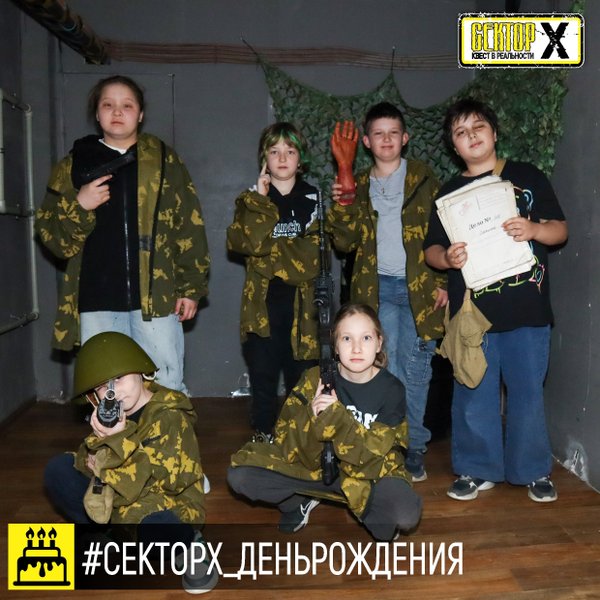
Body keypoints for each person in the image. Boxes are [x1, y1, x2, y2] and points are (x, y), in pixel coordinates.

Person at [423, 98, 568, 503]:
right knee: (474, 392)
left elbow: (560, 230)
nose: (471, 136)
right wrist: (447, 258)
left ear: (494, 132)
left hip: (528, 309)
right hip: (474, 315)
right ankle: (476, 469)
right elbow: (430, 250)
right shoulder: (448, 194)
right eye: (461, 132)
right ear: (454, 146)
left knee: (527, 393)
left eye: (478, 127)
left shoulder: (527, 176)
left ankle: (533, 470)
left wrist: (534, 230)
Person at [35, 75, 210, 394]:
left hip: (157, 300)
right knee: (106, 389)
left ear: (140, 114)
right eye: (108, 105)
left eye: (127, 105)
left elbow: (189, 225)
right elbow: (52, 236)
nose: (117, 111)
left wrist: (191, 287)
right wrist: (80, 205)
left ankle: (165, 430)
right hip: (97, 299)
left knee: (164, 384)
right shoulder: (75, 165)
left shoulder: (163, 160)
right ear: (97, 113)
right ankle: (112, 430)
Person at [227, 303, 422, 541]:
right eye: (347, 338)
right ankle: (298, 501)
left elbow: (375, 458)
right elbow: (285, 443)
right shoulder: (314, 379)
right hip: (315, 469)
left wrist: (337, 418)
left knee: (405, 514)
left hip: (366, 476)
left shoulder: (391, 390)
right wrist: (311, 416)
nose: (357, 348)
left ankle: (361, 503)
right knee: (241, 475)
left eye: (366, 338)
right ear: (335, 346)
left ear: (379, 343)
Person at [43, 331, 217, 593]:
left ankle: (190, 546)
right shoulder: (111, 413)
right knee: (59, 470)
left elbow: (155, 485)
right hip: (119, 499)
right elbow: (86, 463)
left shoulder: (170, 417)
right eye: (103, 387)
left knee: (155, 528)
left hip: (163, 504)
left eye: (119, 378)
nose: (113, 392)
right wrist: (100, 440)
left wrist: (118, 440)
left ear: (141, 372)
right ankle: (105, 533)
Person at [328, 103, 447, 482]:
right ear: (366, 141)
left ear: (405, 138)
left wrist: (444, 283)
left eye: (393, 132)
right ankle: (387, 446)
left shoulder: (425, 179)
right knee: (384, 369)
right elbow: (344, 242)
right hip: (375, 289)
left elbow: (447, 231)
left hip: (420, 291)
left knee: (416, 372)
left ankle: (414, 448)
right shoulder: (357, 183)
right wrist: (344, 196)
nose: (386, 139)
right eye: (378, 133)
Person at [226, 122, 320, 443]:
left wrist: (270, 253)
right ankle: (263, 439)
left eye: (290, 151)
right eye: (274, 151)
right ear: (264, 157)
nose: (282, 158)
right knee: (263, 381)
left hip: (303, 309)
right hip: (262, 309)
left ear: (300, 158)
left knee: (301, 383)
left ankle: (298, 444)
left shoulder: (314, 198)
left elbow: (312, 260)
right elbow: (245, 243)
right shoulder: (251, 200)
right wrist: (262, 202)